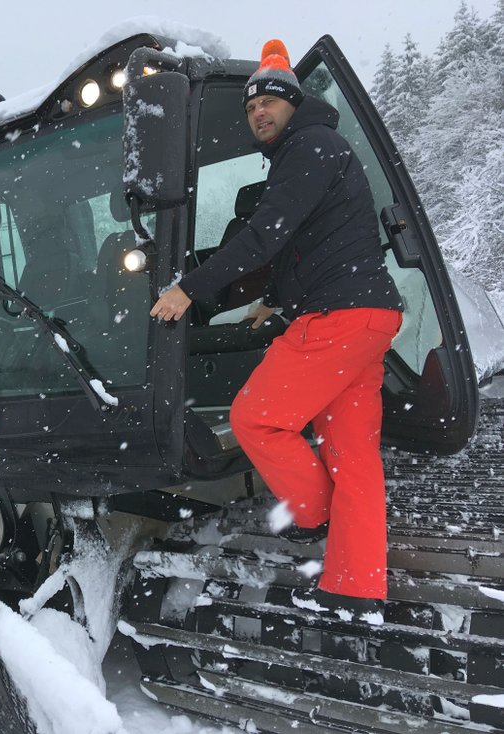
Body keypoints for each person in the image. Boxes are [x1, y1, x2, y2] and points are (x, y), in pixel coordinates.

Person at [150, 40, 403, 621]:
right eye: (250, 106)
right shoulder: (318, 149)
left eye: (270, 100)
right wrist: (274, 300)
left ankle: (312, 518)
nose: (259, 111)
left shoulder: (310, 146)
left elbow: (266, 235)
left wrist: (189, 288)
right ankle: (356, 588)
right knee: (352, 454)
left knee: (256, 417)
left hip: (338, 318)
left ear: (296, 103)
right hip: (365, 316)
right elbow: (309, 246)